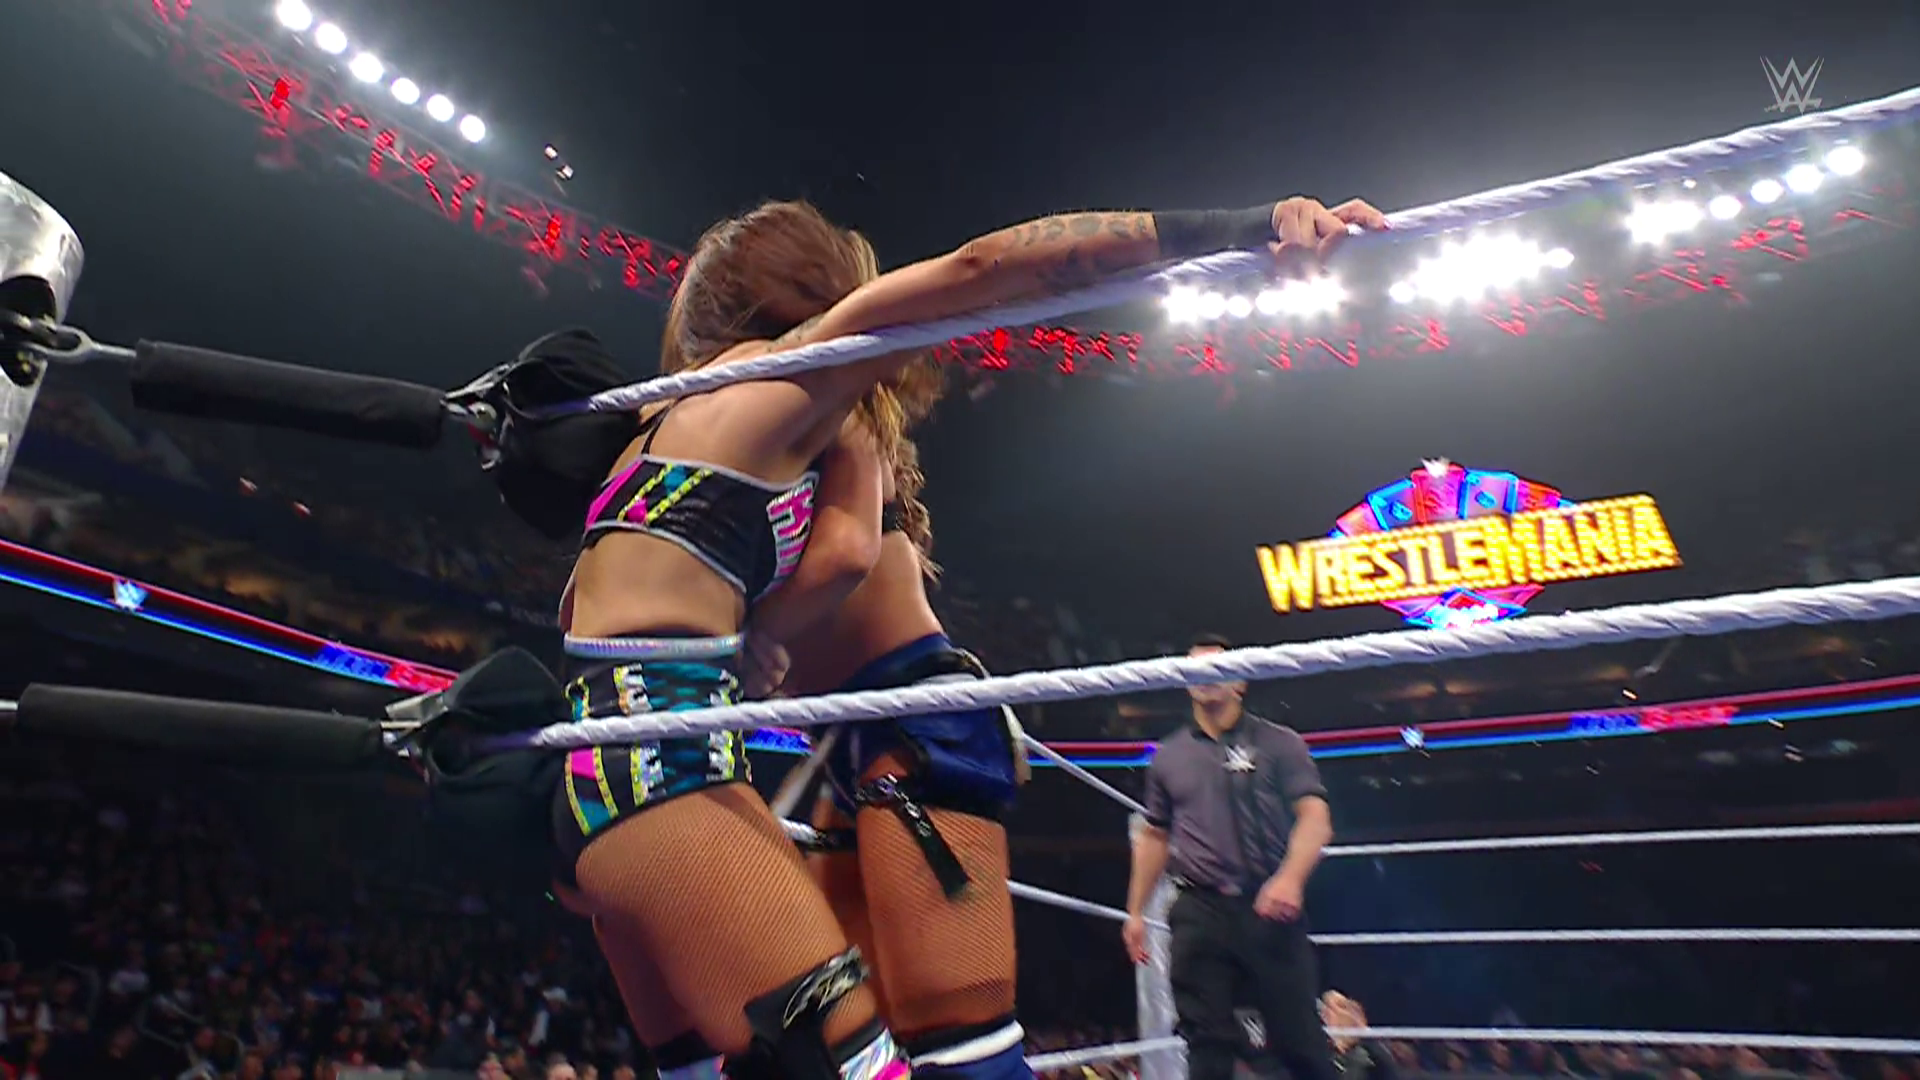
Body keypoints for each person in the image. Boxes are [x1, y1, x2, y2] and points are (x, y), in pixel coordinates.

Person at [549, 196, 1384, 1080]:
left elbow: (978, 273)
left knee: (893, 1048)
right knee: (877, 1048)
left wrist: (1245, 226)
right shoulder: (773, 413)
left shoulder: (772, 407)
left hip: (778, 732)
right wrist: (759, 638)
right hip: (737, 744)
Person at [742, 393, 1034, 1080]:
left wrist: (748, 637)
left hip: (913, 724)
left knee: (959, 1043)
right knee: (846, 1038)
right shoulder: (743, 439)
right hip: (844, 742)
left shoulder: (839, 407)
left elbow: (847, 556)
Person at [1121, 634, 1339, 1080]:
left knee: (1299, 1039)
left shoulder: (1279, 743)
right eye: (1195, 670)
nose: (1206, 678)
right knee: (1205, 1041)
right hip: (1198, 908)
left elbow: (1316, 818)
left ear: (1241, 682)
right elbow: (1155, 835)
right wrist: (1136, 912)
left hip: (1267, 903)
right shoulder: (1169, 756)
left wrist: (1290, 879)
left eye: (1217, 669)